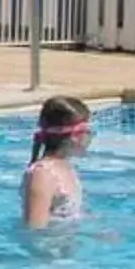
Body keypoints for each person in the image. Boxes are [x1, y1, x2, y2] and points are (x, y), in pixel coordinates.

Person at [22, 95, 91, 229]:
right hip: (52, 248)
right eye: (88, 131)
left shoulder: (64, 167)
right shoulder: (43, 175)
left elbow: (71, 215)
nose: (91, 136)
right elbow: (35, 230)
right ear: (76, 136)